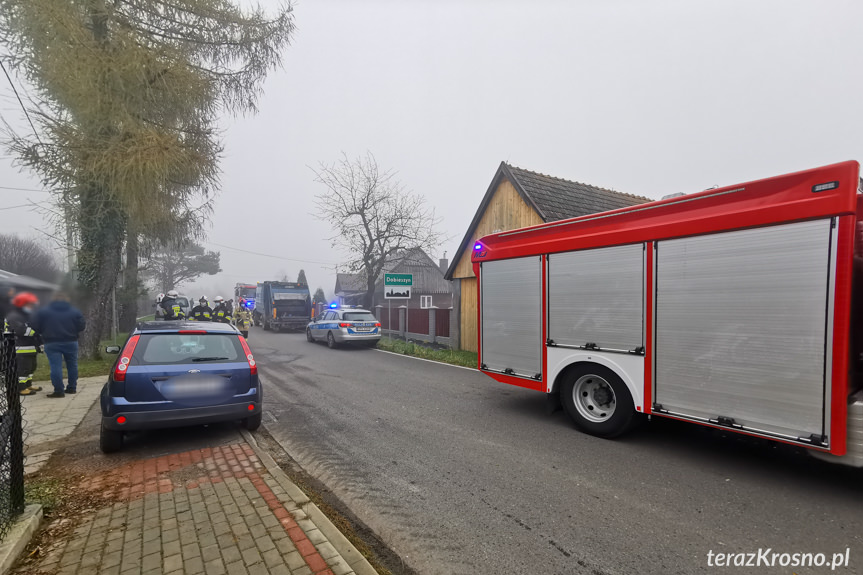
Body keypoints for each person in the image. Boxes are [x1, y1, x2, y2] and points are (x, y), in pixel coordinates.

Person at [31, 292, 85, 398]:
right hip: (71, 341)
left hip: (51, 342)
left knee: (55, 366)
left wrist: (43, 332)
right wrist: (73, 331)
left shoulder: (43, 312)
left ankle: (59, 390)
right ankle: (72, 387)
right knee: (72, 365)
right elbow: (82, 325)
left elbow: (34, 325)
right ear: (67, 300)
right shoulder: (75, 311)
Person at [6, 292, 43, 396]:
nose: (31, 307)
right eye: (29, 304)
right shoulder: (14, 316)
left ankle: (28, 385)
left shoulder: (25, 315)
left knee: (31, 367)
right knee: (23, 369)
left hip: (30, 347)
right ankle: (21, 388)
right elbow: (20, 330)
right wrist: (36, 332)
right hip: (20, 348)